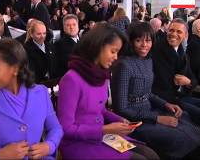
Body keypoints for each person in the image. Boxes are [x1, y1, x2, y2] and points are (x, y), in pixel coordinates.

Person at [57, 24, 159, 159]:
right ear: (97, 47)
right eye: (113, 51)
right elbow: (66, 128)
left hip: (102, 136)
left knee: (151, 154)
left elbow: (101, 110)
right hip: (79, 144)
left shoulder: (101, 75)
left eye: (118, 52)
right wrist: (105, 129)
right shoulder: (71, 79)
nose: (116, 57)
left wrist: (120, 120)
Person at [111, 22, 200, 159]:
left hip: (149, 111)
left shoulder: (148, 60)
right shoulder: (124, 65)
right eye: (139, 40)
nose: (144, 45)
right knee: (179, 136)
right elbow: (121, 108)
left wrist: (166, 104)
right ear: (131, 41)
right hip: (134, 121)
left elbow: (148, 93)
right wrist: (158, 118)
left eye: (148, 41)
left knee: (187, 122)